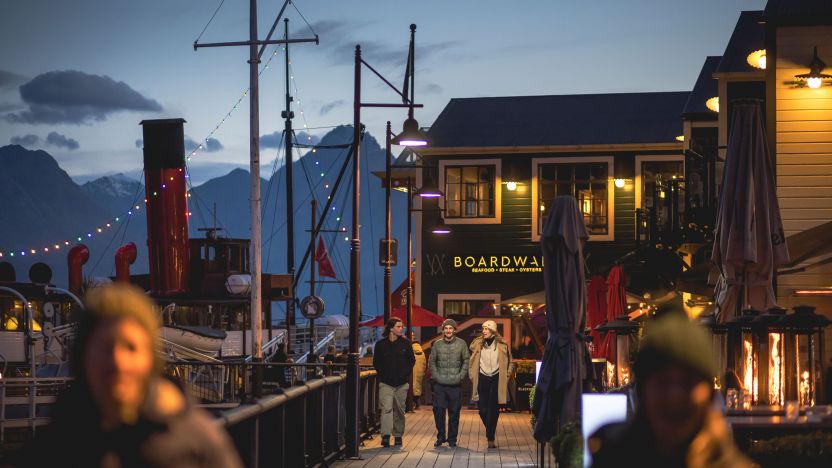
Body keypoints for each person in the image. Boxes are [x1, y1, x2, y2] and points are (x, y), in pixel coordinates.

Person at [24, 283, 242, 467]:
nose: (118, 361)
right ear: (82, 355)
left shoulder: (198, 444)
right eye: (106, 347)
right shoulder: (52, 447)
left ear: (150, 357)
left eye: (130, 347)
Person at [589, 314, 754, 468]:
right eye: (663, 382)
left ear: (708, 394)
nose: (675, 396)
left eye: (687, 383)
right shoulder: (610, 456)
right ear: (642, 390)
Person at [469, 320, 514, 449]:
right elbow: (472, 354)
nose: (484, 331)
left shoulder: (502, 344)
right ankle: (491, 431)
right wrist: (472, 375)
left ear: (493, 331)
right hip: (482, 377)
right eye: (483, 329)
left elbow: (510, 361)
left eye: (486, 329)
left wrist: (506, 375)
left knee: (493, 409)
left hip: (497, 378)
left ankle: (490, 437)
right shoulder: (478, 344)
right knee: (482, 410)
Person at [373, 317, 415, 447]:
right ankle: (385, 436)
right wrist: (383, 375)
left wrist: (405, 375)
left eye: (401, 326)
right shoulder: (380, 345)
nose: (401, 328)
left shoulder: (406, 343)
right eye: (398, 326)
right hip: (386, 383)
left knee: (399, 410)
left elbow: (411, 361)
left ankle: (397, 435)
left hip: (402, 383)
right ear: (391, 328)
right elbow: (377, 363)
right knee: (386, 409)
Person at [429, 319, 470, 447]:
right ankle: (441, 436)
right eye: (446, 328)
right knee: (439, 411)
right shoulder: (437, 344)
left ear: (454, 330)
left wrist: (460, 376)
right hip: (440, 385)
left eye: (450, 328)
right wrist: (436, 376)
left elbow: (466, 361)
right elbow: (432, 362)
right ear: (443, 330)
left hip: (455, 384)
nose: (448, 330)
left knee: (454, 412)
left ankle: (452, 439)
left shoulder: (462, 344)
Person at [410, 335, 427, 411]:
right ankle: (417, 404)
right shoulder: (422, 352)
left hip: (412, 372)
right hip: (420, 372)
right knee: (418, 387)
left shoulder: (410, 351)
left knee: (411, 387)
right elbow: (424, 363)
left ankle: (412, 404)